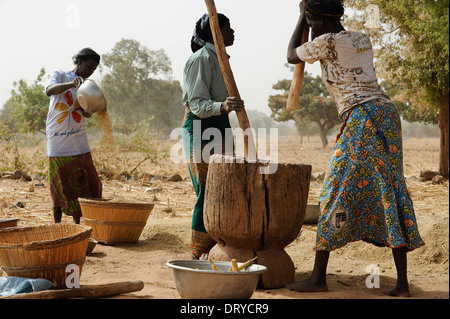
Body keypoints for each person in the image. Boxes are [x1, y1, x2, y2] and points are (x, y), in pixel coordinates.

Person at [287, 0, 424, 297]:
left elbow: (290, 56)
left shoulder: (325, 41)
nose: (310, 28)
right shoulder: (362, 38)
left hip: (361, 118)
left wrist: (300, 18)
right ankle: (402, 284)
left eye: (312, 22)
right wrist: (309, 17)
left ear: (319, 21)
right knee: (389, 187)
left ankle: (318, 278)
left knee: (333, 190)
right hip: (386, 114)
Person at [182, 13, 245, 259]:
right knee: (208, 189)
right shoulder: (200, 60)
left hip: (220, 125)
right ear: (216, 33)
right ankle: (199, 253)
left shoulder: (221, 59)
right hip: (201, 126)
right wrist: (222, 106)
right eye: (229, 28)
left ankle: (220, 246)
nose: (233, 33)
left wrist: (225, 109)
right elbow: (197, 103)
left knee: (225, 186)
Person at [45, 48, 103, 224]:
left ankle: (78, 227)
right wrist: (72, 84)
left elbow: (87, 113)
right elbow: (50, 90)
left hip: (79, 141)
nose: (90, 71)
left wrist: (90, 109)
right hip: (58, 140)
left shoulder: (87, 85)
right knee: (60, 185)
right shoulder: (61, 75)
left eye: (93, 69)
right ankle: (57, 227)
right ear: (79, 62)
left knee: (85, 184)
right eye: (89, 66)